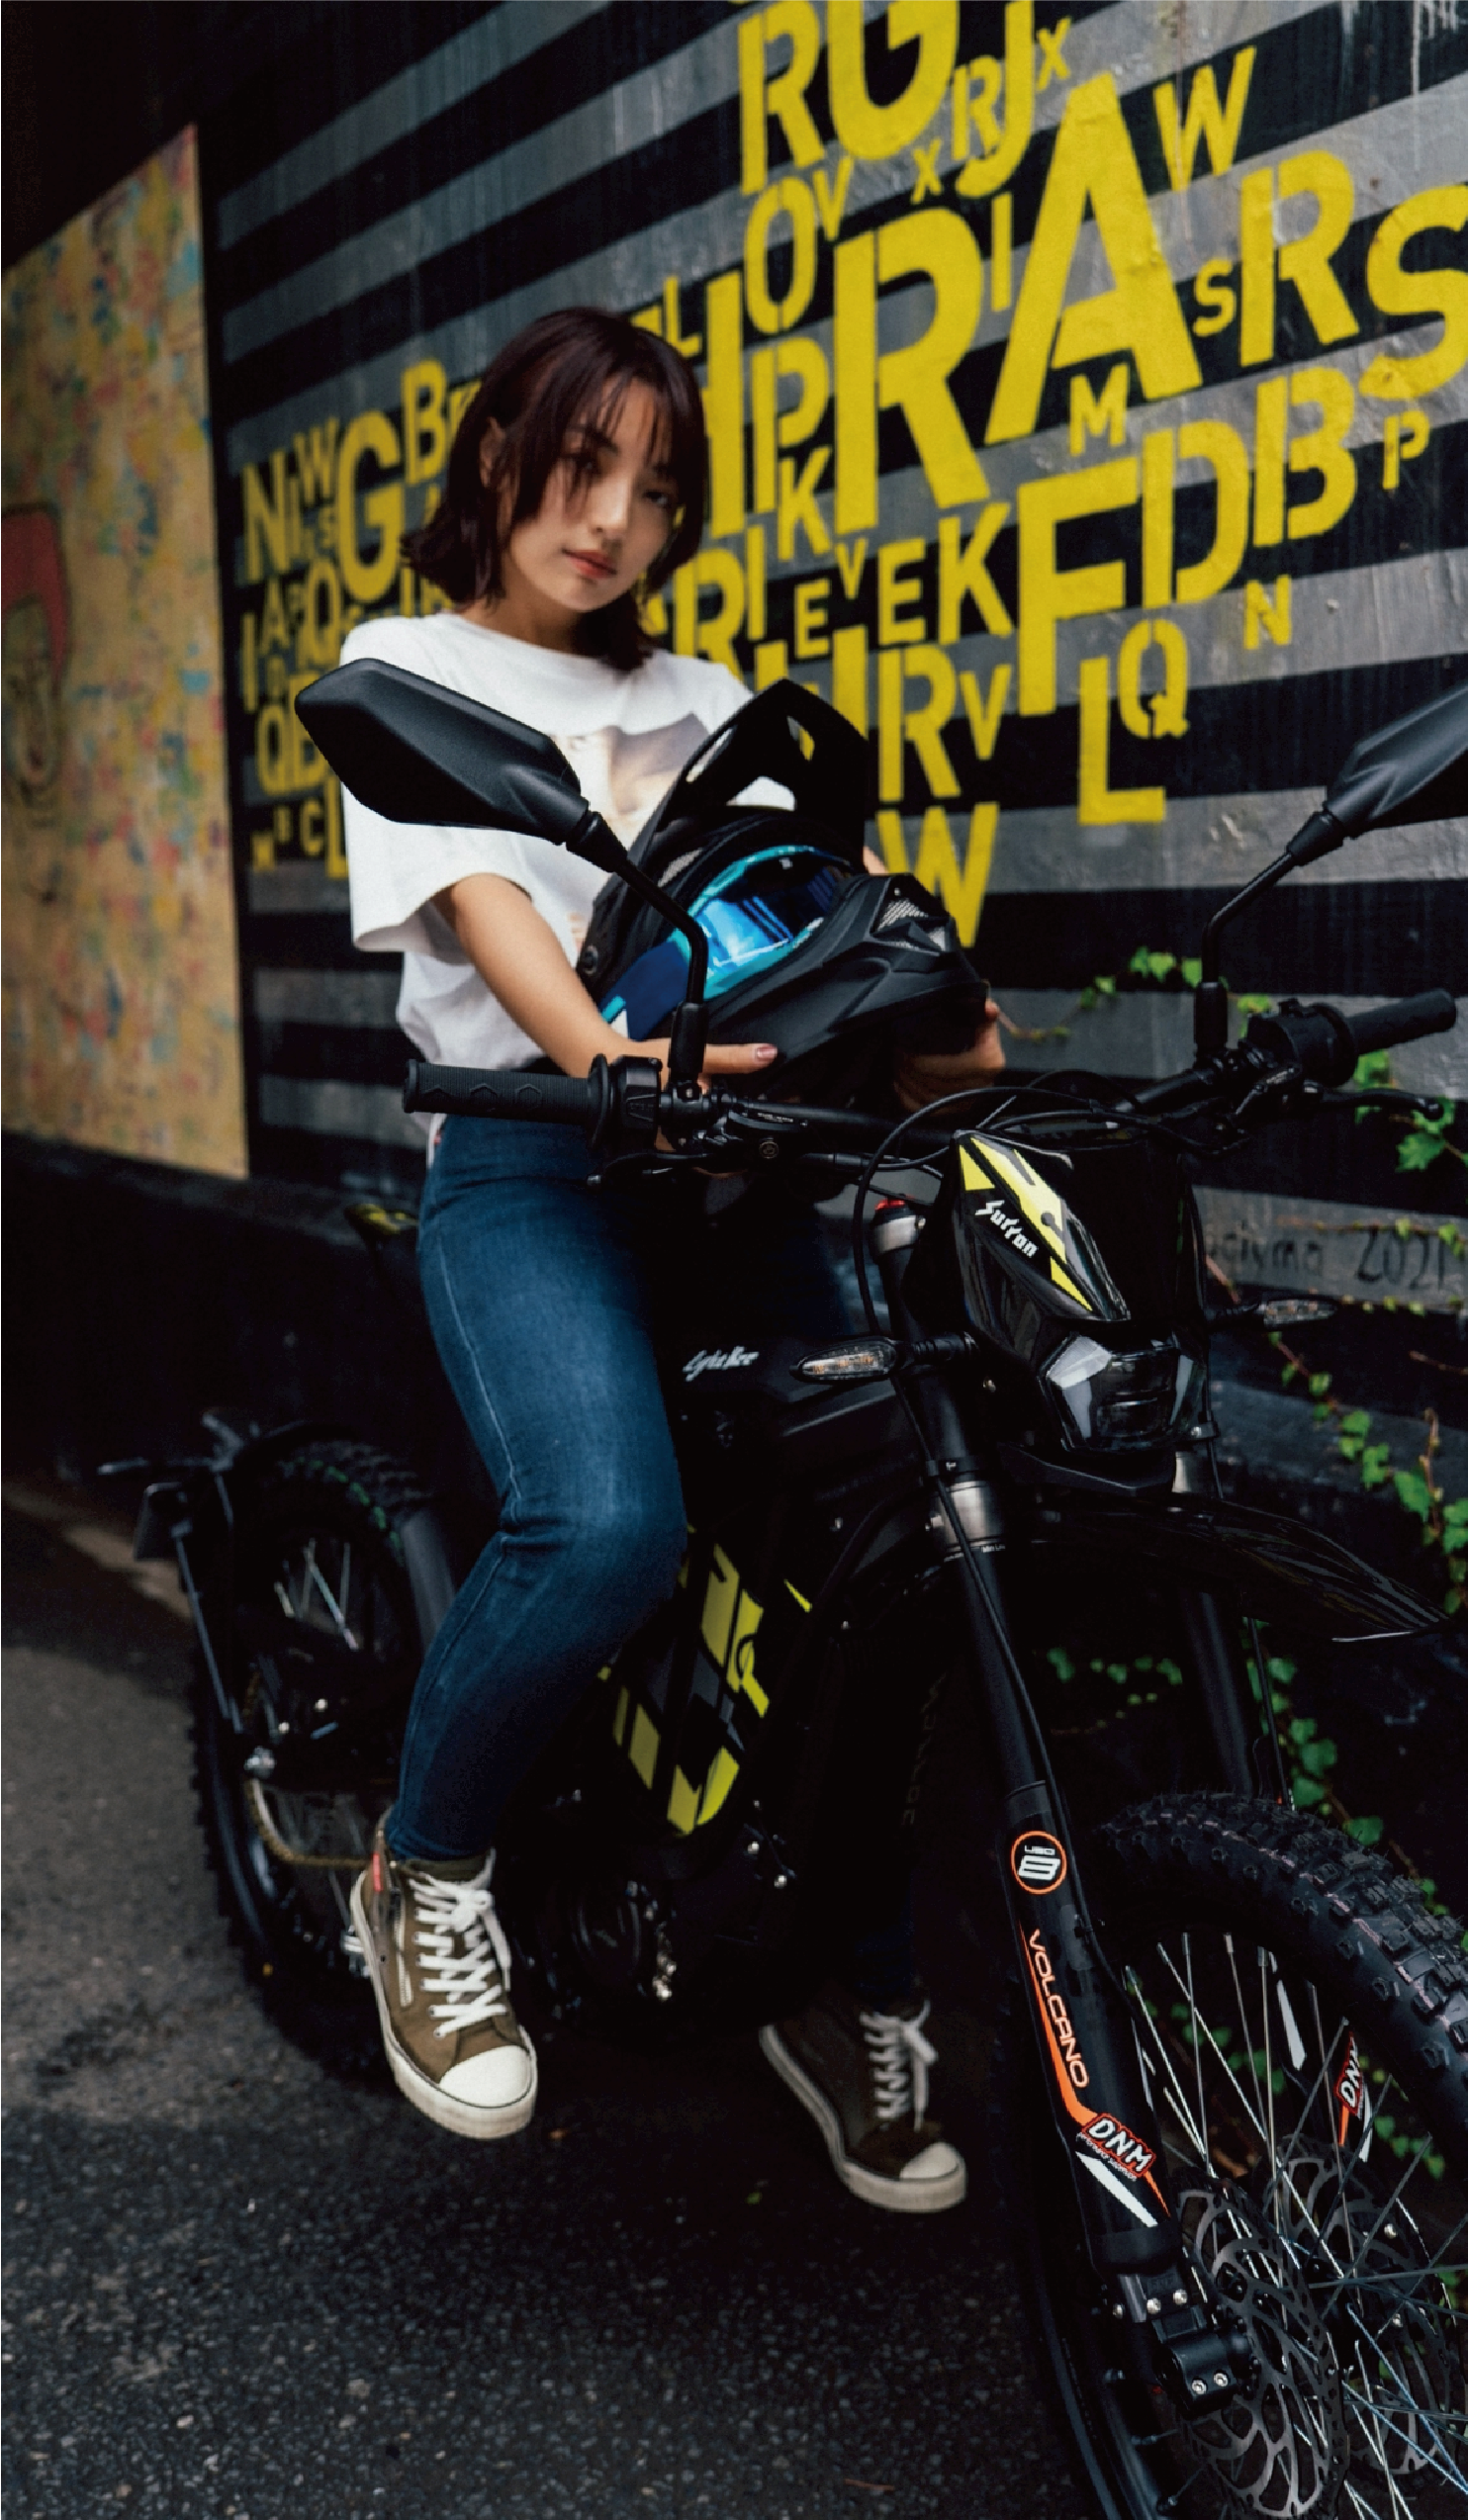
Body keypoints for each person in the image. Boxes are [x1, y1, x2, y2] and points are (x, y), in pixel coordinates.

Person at [341, 310, 1003, 2207]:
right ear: (499, 455)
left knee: (876, 1561)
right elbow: (489, 898)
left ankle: (834, 1983)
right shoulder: (408, 670)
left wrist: (937, 1022)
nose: (609, 519)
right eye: (579, 467)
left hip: (739, 1173)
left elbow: (800, 921)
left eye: (650, 488)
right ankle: (425, 1871)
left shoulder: (710, 699)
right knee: (607, 1526)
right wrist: (603, 1061)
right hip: (533, 1160)